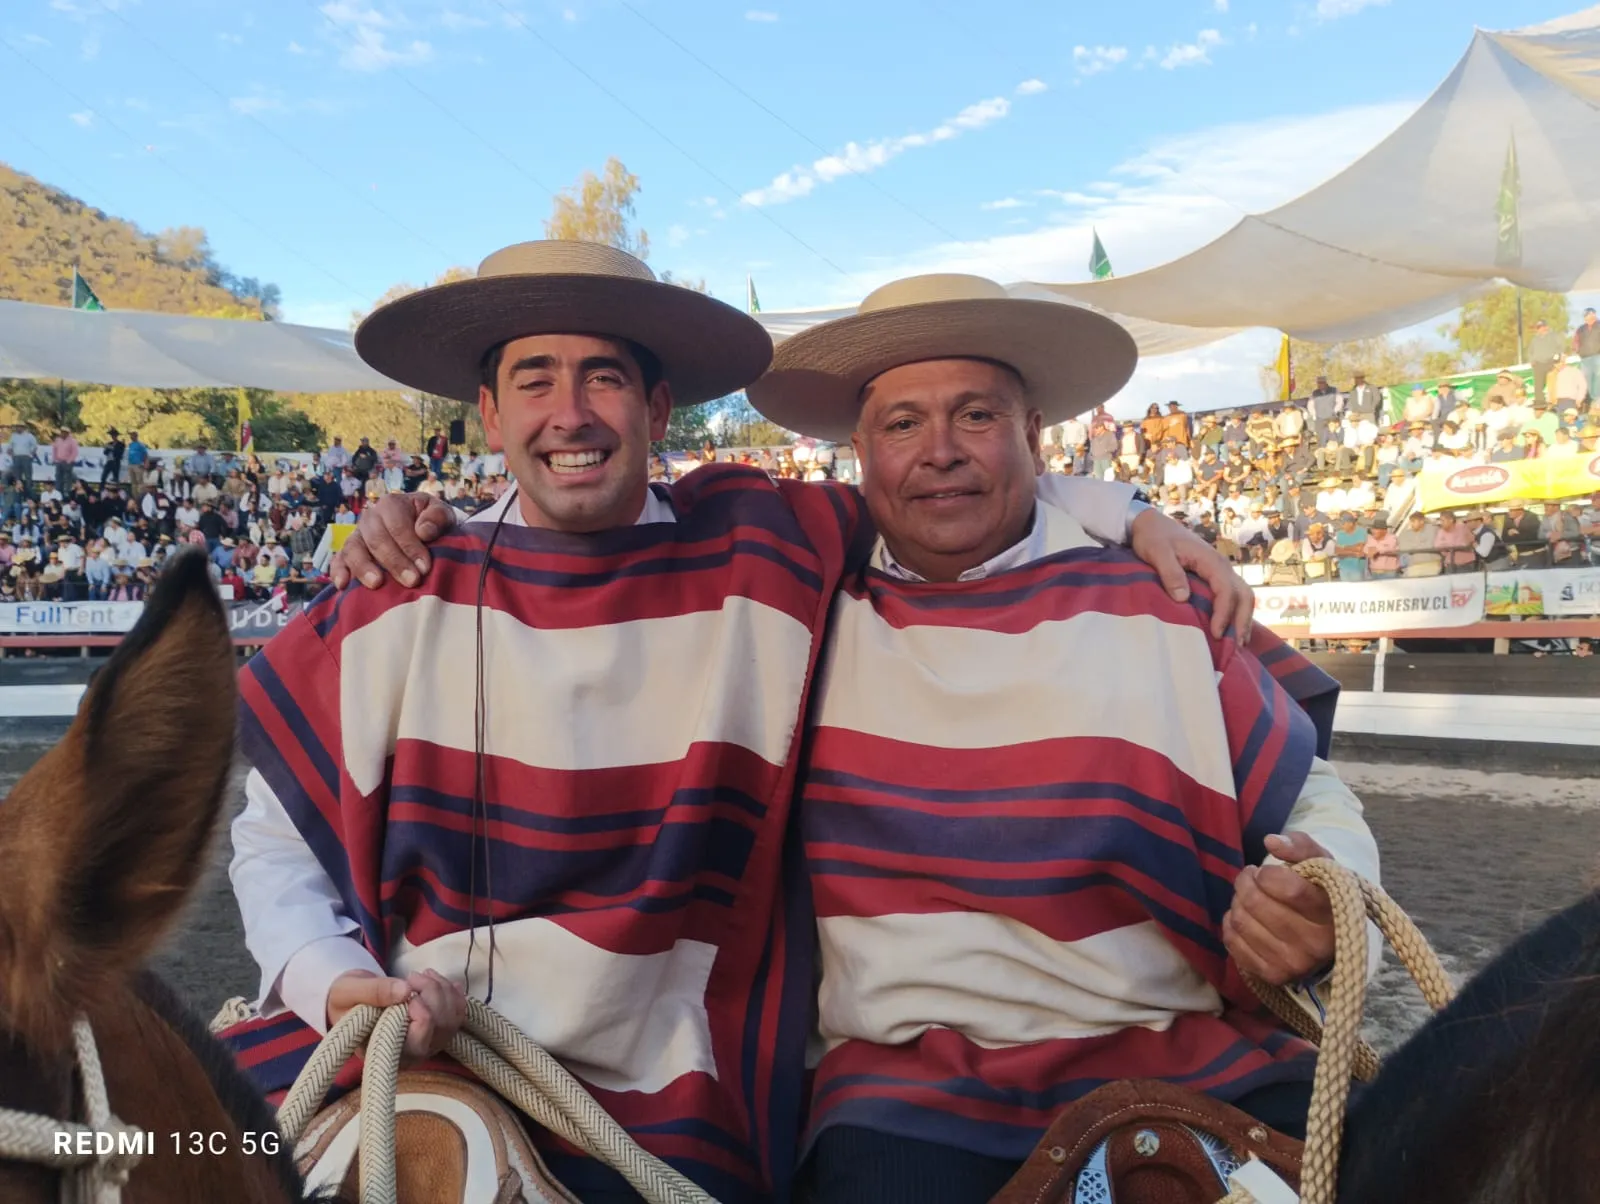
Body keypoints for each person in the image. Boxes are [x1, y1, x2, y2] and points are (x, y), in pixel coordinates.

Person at [224, 243, 1250, 1204]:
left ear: (657, 407)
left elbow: (947, 491)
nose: (570, 414)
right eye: (535, 379)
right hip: (424, 1039)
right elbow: (271, 842)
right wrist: (334, 984)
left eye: (605, 379)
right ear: (489, 416)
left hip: (675, 1090)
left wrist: (1132, 512)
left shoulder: (761, 543)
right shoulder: (399, 585)